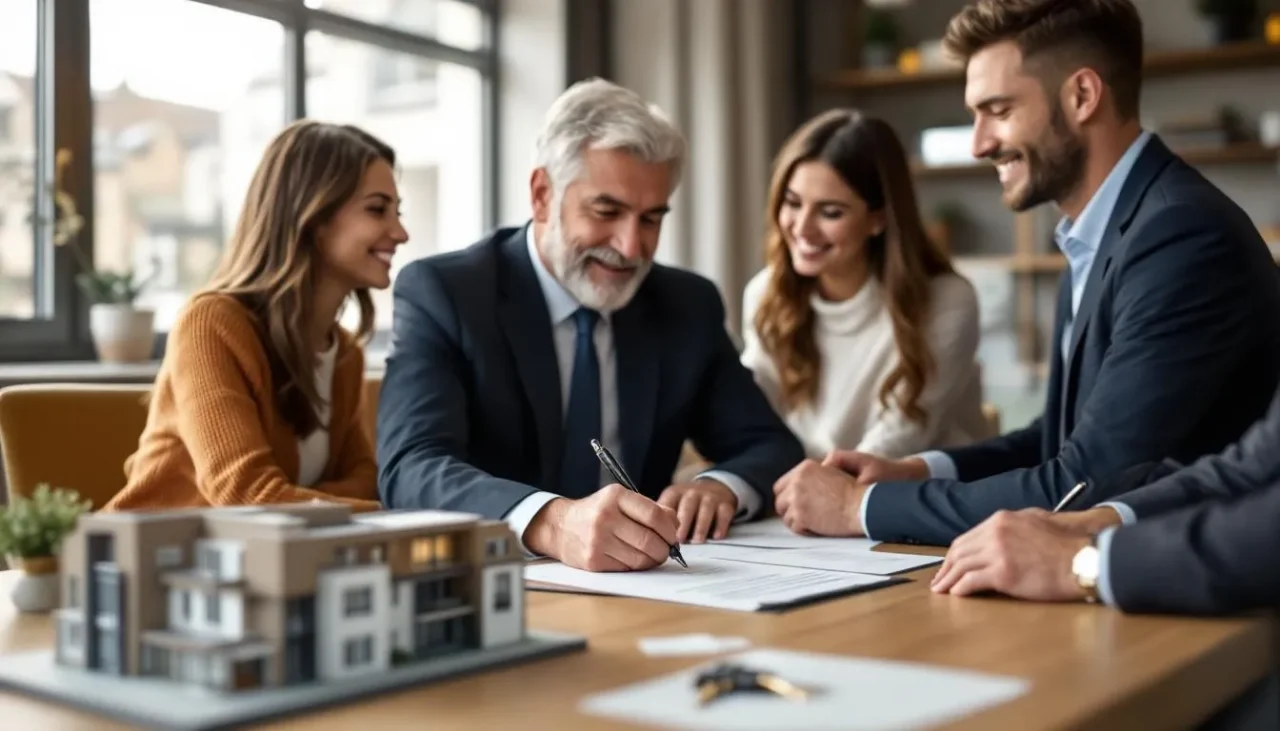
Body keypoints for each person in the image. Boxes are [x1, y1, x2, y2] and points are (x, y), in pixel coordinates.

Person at [771, 0, 1280, 546]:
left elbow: (1086, 482)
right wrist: (916, 470)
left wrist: (859, 507)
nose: (979, 143)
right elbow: (1060, 443)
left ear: (1082, 96)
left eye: (999, 110)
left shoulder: (1178, 237)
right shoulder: (1101, 229)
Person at [376, 78, 805, 572]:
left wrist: (720, 487)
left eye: (651, 219)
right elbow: (411, 467)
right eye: (607, 211)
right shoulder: (446, 293)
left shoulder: (686, 303)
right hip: (506, 584)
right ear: (542, 196)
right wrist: (552, 523)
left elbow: (770, 446)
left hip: (655, 586)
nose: (630, 247)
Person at [105, 121, 406, 513]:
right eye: (377, 210)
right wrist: (401, 519)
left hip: (274, 565)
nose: (400, 232)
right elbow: (244, 494)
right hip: (155, 563)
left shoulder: (344, 353)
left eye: (397, 212)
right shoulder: (211, 324)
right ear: (313, 216)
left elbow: (366, 480)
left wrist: (304, 503)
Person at [740, 109, 987, 461]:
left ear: (878, 219)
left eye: (830, 212)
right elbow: (752, 419)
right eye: (792, 203)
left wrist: (819, 488)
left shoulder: (947, 301)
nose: (802, 228)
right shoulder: (765, 294)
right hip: (806, 495)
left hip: (921, 499)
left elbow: (902, 435)